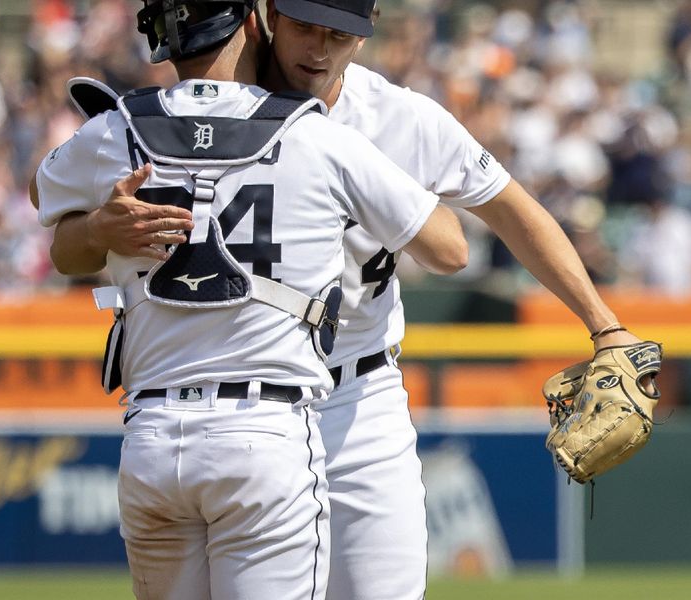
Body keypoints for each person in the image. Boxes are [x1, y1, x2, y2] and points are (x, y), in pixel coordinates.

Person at [44, 1, 652, 599]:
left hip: (357, 396)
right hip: (247, 399)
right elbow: (66, 241)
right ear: (267, 18)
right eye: (305, 26)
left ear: (366, 33)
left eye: (338, 33)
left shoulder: (400, 118)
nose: (319, 48)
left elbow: (515, 214)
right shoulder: (196, 112)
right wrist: (100, 227)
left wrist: (605, 325)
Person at [30, 1, 467, 599]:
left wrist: (102, 228)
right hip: (266, 429)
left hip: (153, 436)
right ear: (255, 22)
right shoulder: (314, 134)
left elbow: (47, 206)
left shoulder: (117, 130)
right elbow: (450, 249)